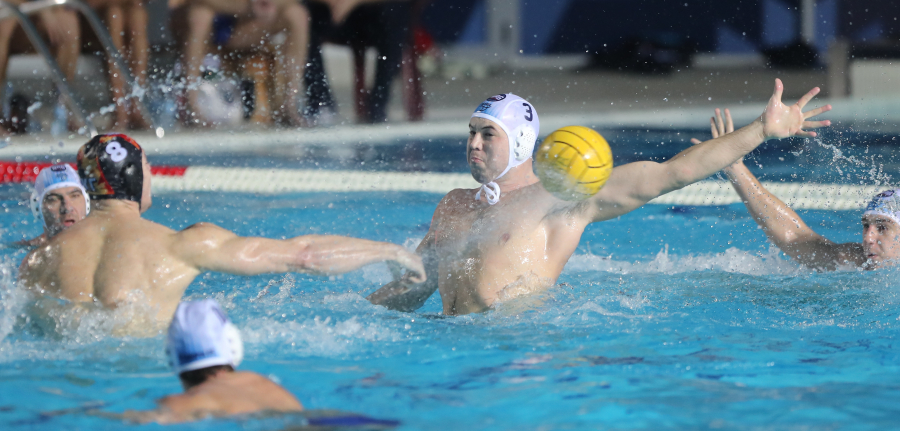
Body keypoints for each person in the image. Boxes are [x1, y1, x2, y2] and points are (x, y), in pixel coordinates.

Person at [368, 81, 832, 315]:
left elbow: (672, 173)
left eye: (488, 134)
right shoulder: (453, 204)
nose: (473, 143)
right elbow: (415, 286)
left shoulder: (560, 200)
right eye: (471, 132)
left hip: (514, 359)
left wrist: (761, 130)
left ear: (522, 141)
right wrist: (355, 315)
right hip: (448, 353)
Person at [17, 133, 426, 334]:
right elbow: (305, 255)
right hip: (146, 375)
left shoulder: (36, 261)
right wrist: (390, 251)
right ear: (138, 177)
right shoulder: (181, 244)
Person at [691, 107, 897, 271]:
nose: (868, 238)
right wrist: (734, 167)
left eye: (882, 228)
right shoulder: (855, 262)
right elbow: (795, 238)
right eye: (866, 226)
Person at [122, 299, 303, 424]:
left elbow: (146, 420)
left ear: (171, 355)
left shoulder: (181, 403)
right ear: (233, 343)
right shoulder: (259, 381)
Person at [169, 0, 310, 127]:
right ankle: (191, 106)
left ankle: (288, 106)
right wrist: (248, 6)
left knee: (297, 14)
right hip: (206, 26)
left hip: (241, 28)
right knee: (200, 14)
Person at [304, 0, 412, 123]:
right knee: (301, 15)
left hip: (374, 18)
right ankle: (320, 102)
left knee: (397, 10)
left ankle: (378, 104)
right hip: (331, 15)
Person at [0, 0, 80, 133]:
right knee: (4, 21)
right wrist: (43, 11)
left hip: (32, 13)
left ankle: (62, 110)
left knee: (68, 23)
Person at [86, 0, 150, 130]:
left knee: (137, 17)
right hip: (90, 17)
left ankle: (137, 105)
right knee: (113, 15)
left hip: (123, 12)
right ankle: (120, 110)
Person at [15, 164, 89, 247]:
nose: (67, 208)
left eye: (75, 196)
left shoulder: (100, 243)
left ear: (87, 202)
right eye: (53, 199)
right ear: (37, 208)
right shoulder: (28, 251)